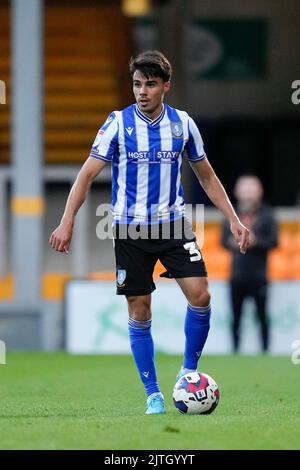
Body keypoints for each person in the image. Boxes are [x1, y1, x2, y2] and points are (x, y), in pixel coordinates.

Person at [49, 50, 249, 414]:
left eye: (151, 84)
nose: (142, 91)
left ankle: (188, 372)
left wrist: (234, 219)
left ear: (166, 86)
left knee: (201, 296)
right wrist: (67, 220)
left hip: (174, 225)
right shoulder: (117, 124)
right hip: (129, 229)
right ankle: (153, 394)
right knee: (140, 310)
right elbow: (86, 174)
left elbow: (206, 175)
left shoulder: (183, 124)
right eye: (137, 84)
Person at [221, 175, 278, 353]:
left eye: (251, 189)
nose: (247, 194)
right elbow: (223, 241)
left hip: (259, 276)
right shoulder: (232, 215)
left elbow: (274, 241)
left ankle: (265, 351)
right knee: (235, 317)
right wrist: (236, 242)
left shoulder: (268, 215)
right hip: (237, 275)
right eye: (244, 189)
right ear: (237, 192)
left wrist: (255, 241)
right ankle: (235, 351)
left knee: (262, 316)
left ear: (260, 191)